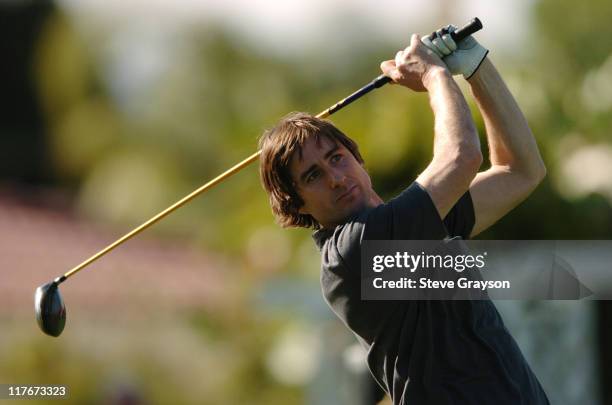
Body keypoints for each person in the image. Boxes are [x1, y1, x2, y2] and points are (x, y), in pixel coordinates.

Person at [258, 26, 548, 405]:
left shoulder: (418, 220)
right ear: (296, 205)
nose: (335, 178)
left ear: (358, 159)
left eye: (336, 158)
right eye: (313, 176)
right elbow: (461, 158)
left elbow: (522, 170)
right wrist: (433, 75)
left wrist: (477, 67)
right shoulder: (351, 252)